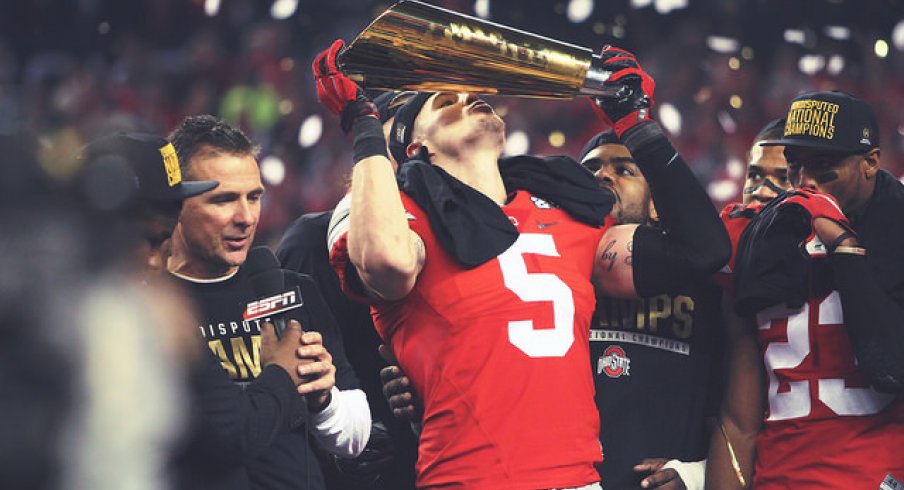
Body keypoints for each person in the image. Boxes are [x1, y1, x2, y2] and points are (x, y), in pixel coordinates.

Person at [315, 39, 729, 489]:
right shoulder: (406, 217)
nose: (468, 97)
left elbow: (701, 251)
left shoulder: (567, 217)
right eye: (444, 101)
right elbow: (387, 261)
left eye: (470, 94)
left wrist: (637, 125)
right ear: (417, 148)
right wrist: (365, 125)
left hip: (579, 480)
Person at [708, 91, 904, 489]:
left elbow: (891, 366)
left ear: (871, 163)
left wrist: (845, 248)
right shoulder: (759, 238)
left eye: (825, 168)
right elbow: (739, 419)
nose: (805, 183)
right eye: (795, 167)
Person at [165, 115, 371, 490]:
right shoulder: (156, 305)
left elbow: (355, 439)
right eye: (223, 199)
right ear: (175, 204)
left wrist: (323, 399)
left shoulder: (292, 291)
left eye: (254, 197)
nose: (246, 218)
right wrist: (281, 377)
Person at [277, 91, 419, 490]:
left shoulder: (470, 241)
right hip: (363, 466)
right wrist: (333, 446)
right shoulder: (312, 240)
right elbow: (289, 367)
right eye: (398, 139)